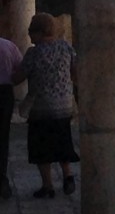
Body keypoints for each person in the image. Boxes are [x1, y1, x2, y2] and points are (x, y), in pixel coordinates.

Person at [11, 13, 79, 199]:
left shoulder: (33, 53)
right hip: (64, 106)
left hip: (41, 108)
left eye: (31, 32)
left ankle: (47, 185)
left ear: (39, 32)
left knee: (41, 146)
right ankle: (68, 176)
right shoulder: (66, 47)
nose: (30, 36)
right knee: (62, 140)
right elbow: (75, 73)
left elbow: (18, 78)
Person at [0, 35, 23, 200]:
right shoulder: (8, 46)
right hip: (5, 94)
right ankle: (2, 180)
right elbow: (21, 69)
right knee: (2, 137)